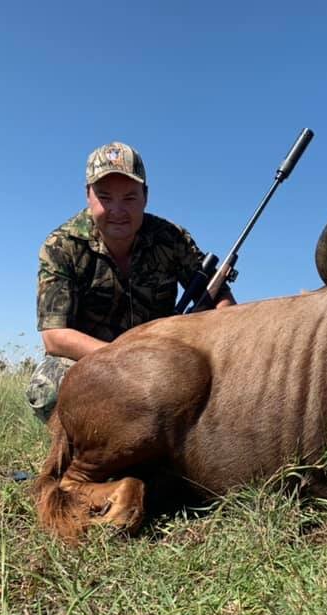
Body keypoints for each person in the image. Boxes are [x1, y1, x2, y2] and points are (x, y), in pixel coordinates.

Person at [26, 141, 234, 421]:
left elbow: (218, 294)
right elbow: (55, 337)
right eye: (105, 197)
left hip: (165, 359)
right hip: (94, 361)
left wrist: (223, 345)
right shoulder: (61, 246)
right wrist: (129, 360)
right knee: (48, 391)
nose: (117, 210)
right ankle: (85, 447)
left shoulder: (171, 238)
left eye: (129, 198)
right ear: (88, 195)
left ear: (145, 197)